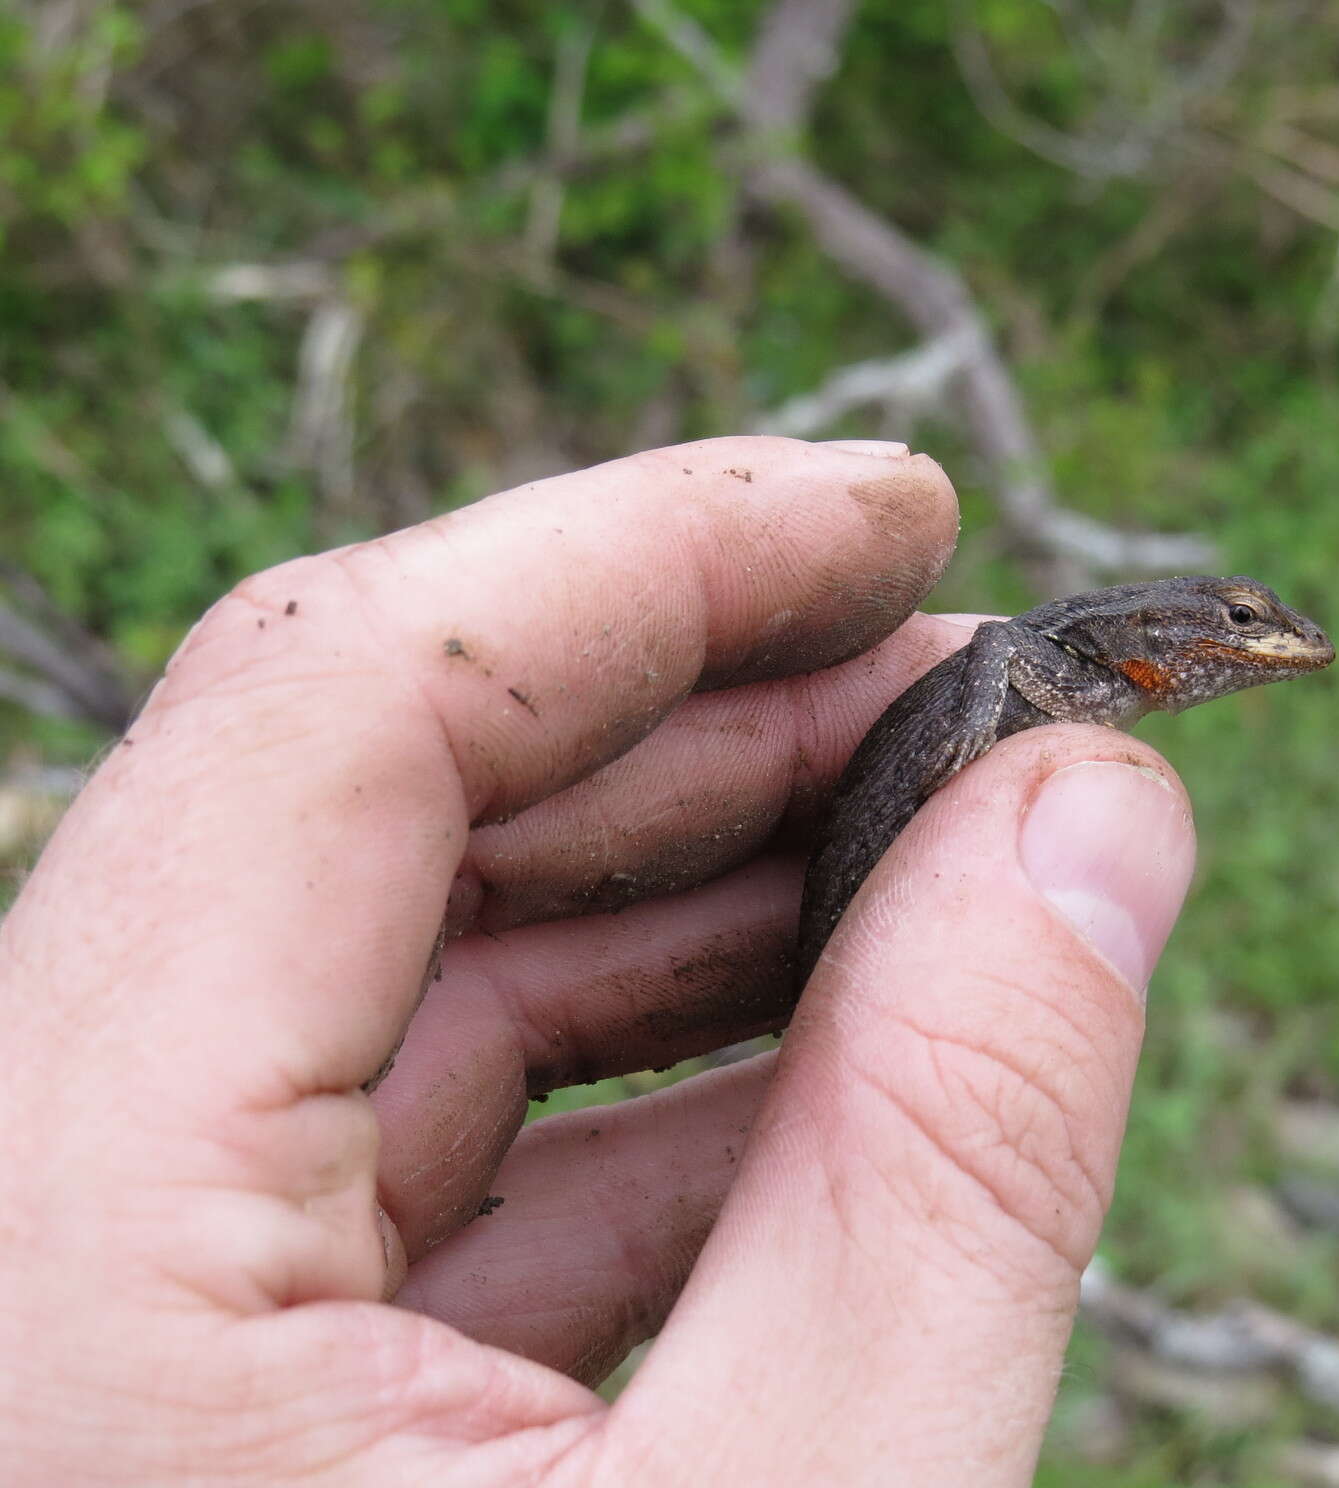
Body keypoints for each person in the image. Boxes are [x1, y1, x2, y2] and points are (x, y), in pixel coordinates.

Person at [0, 436, 1196, 1483]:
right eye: (1238, 626)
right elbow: (989, 669)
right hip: (867, 841)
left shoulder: (1071, 666)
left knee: (818, 1031)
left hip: (867, 861)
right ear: (1153, 640)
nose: (1262, 646)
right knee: (828, 1003)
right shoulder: (1042, 661)